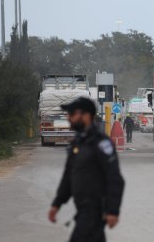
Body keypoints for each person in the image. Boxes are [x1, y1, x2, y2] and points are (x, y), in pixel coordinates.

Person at [48, 97, 125, 242]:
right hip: (82, 209)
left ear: (86, 115)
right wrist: (57, 203)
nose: (68, 118)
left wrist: (112, 210)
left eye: (72, 114)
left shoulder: (101, 143)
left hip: (94, 210)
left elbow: (115, 179)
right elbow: (69, 176)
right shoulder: (77, 143)